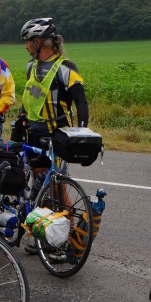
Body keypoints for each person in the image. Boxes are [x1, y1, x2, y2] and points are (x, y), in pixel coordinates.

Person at [16, 18, 89, 253]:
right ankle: (48, 237)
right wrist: (21, 118)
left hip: (56, 134)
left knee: (58, 189)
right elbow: (30, 97)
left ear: (39, 42)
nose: (26, 46)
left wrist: (82, 129)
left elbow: (81, 100)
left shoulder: (65, 67)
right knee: (41, 187)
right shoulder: (31, 67)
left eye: (28, 42)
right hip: (34, 134)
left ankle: (71, 239)